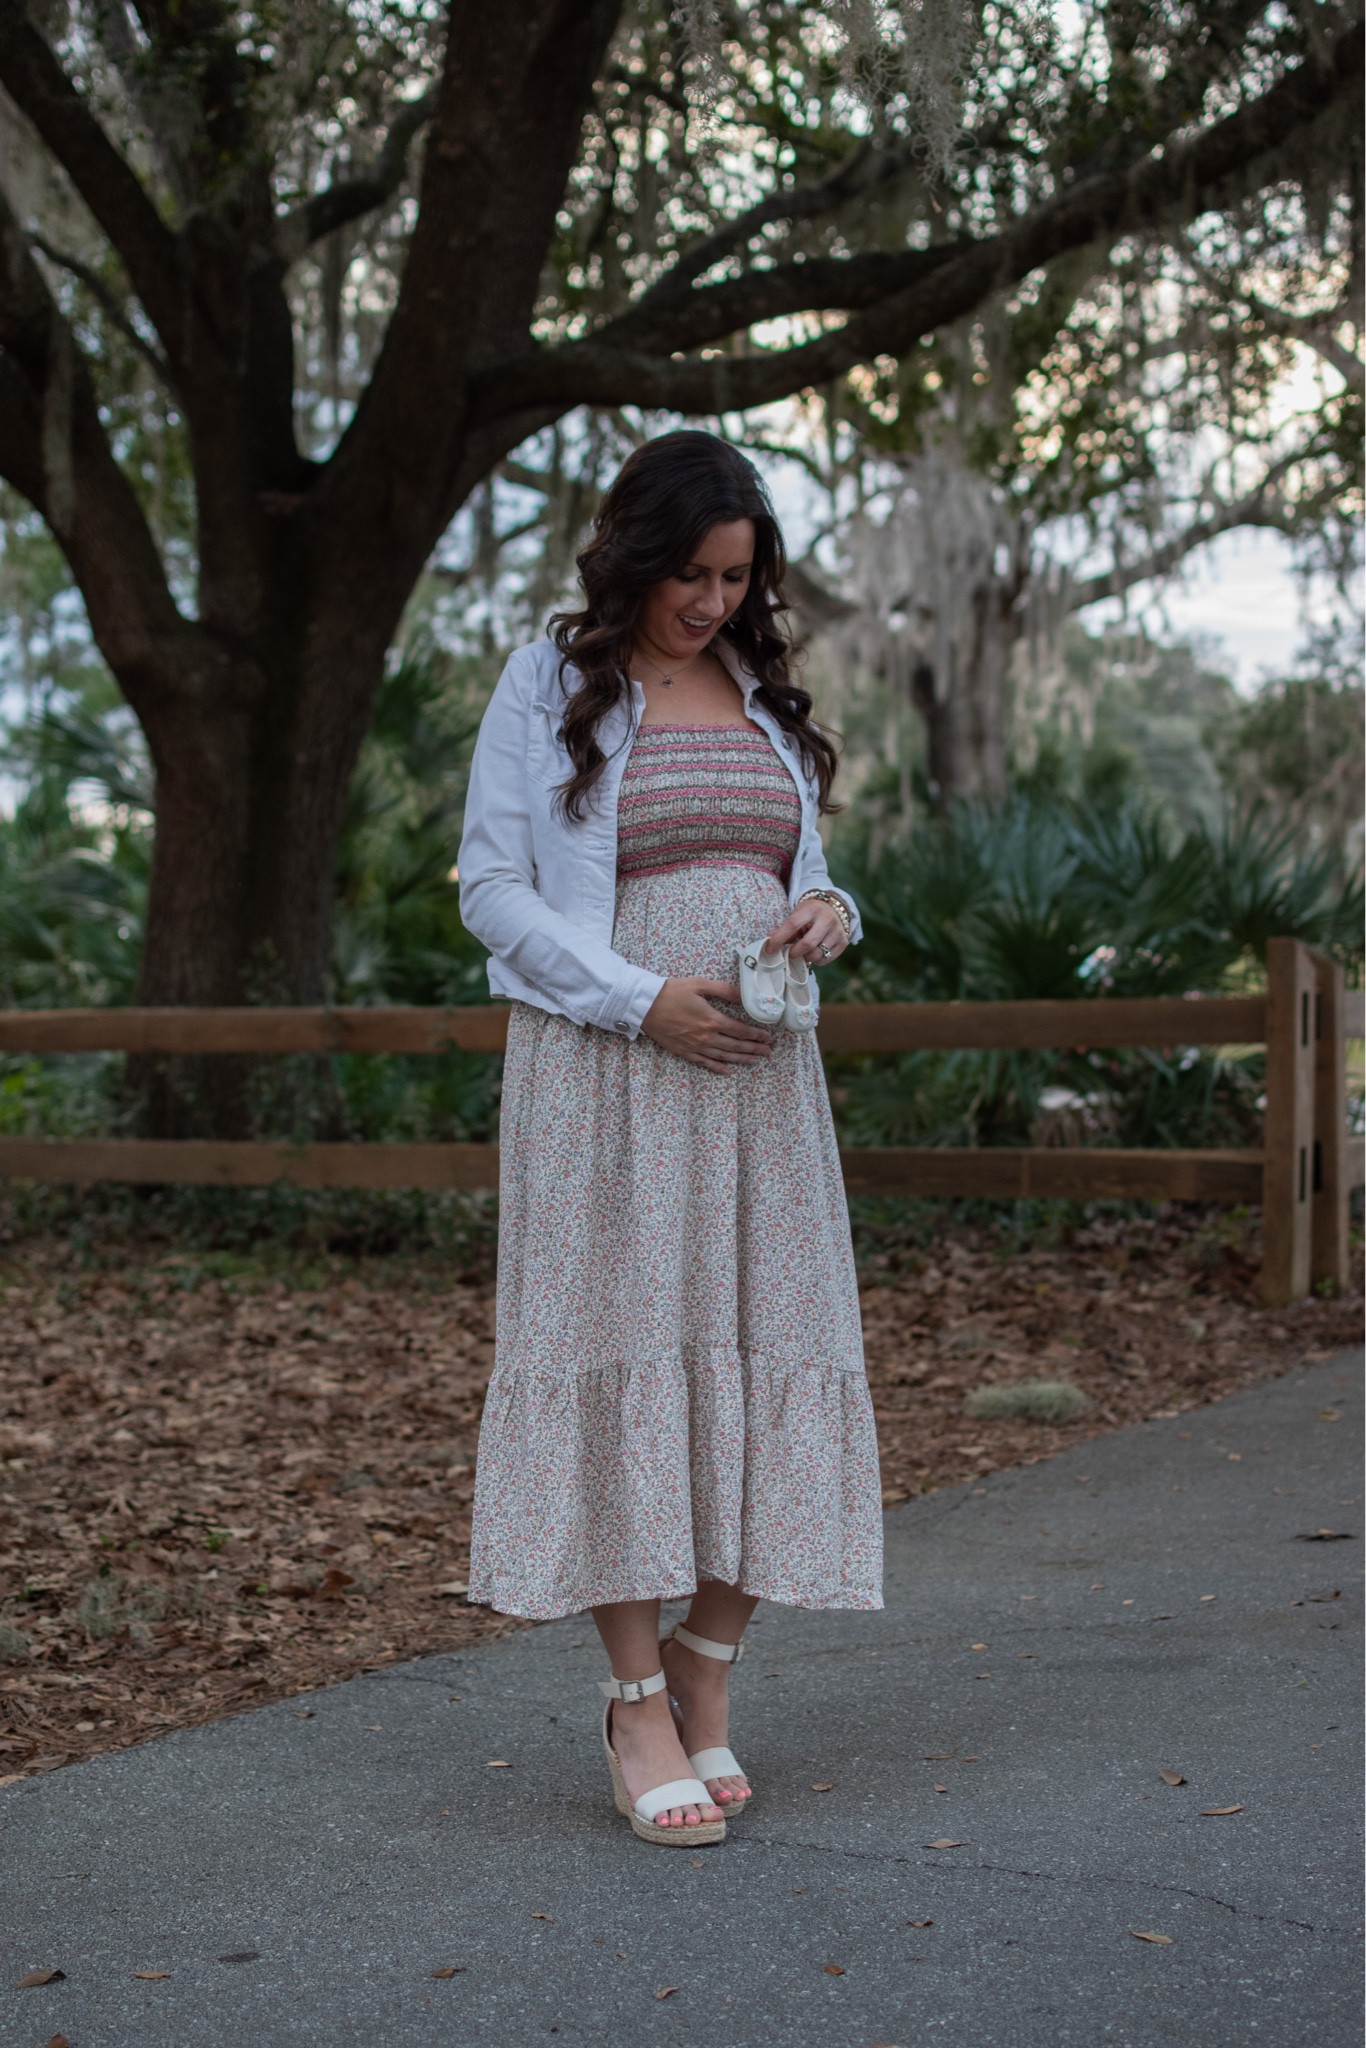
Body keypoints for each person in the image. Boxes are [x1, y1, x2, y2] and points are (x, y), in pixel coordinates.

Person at [458, 430, 883, 1848]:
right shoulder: (550, 677)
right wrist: (644, 1005)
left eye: (735, 578)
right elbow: (493, 891)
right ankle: (636, 1698)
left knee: (776, 1342)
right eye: (691, 575)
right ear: (637, 554)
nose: (709, 603)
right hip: (609, 1074)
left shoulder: (757, 688)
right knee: (618, 1346)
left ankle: (709, 1663)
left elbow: (793, 866)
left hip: (761, 1081)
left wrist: (829, 914)